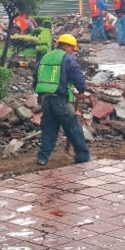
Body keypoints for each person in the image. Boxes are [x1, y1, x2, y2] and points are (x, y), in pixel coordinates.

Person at [33, 34, 92, 165]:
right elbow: (77, 76)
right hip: (61, 100)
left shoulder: (45, 57)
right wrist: (82, 90)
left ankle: (42, 157)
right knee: (73, 128)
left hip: (46, 99)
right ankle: (82, 157)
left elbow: (36, 76)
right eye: (72, 48)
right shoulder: (67, 59)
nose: (72, 51)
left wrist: (39, 95)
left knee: (49, 129)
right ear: (66, 46)